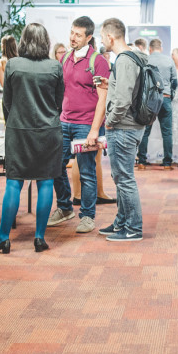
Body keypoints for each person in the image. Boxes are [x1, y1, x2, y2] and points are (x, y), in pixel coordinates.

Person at [0, 24, 63, 254]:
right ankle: (39, 237)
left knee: (13, 182)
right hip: (48, 131)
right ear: (45, 41)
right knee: (46, 181)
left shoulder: (13, 65)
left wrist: (15, 120)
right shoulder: (55, 66)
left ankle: (2, 238)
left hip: (18, 131)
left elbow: (7, 101)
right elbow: (59, 102)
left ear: (23, 41)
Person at [49, 16, 111, 234]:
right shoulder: (65, 58)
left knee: (86, 172)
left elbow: (103, 98)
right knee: (55, 167)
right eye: (71, 32)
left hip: (86, 124)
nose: (72, 37)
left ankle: (87, 215)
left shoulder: (98, 62)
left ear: (89, 37)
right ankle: (65, 207)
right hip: (64, 122)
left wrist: (95, 129)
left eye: (78, 34)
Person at [95, 18, 147, 241]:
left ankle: (133, 228)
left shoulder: (124, 60)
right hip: (131, 125)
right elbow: (128, 89)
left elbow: (124, 99)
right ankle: (122, 222)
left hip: (123, 126)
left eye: (101, 36)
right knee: (120, 177)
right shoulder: (136, 56)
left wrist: (110, 121)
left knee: (124, 178)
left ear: (110, 37)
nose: (101, 40)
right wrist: (110, 84)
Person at [137, 38, 176, 169]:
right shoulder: (169, 60)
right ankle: (167, 163)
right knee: (167, 132)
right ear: (161, 48)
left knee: (145, 131)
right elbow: (174, 81)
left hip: (150, 100)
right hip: (165, 98)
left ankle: (141, 162)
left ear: (150, 49)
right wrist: (171, 94)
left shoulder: (146, 60)